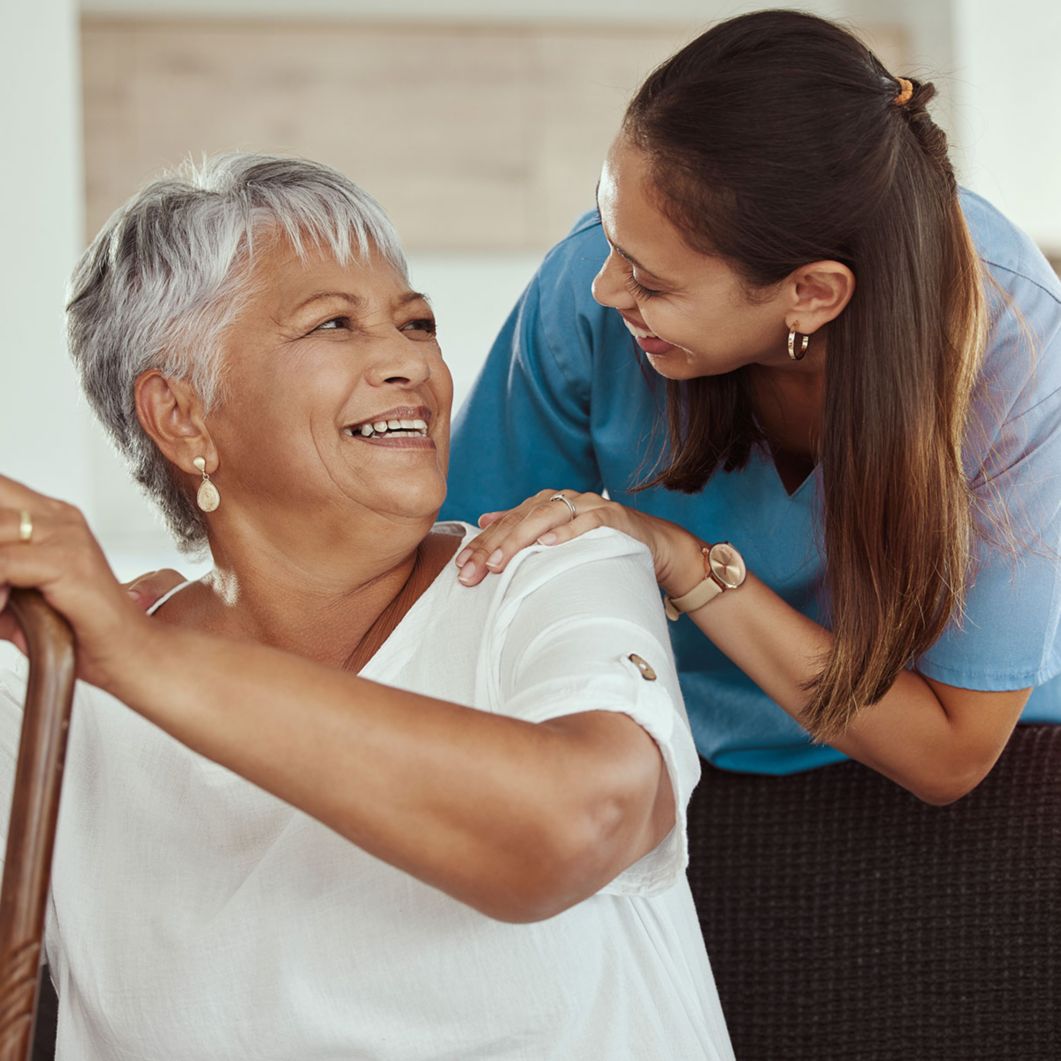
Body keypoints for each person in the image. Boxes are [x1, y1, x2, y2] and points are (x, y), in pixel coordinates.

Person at [0, 154, 733, 1060]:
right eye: (333, 325)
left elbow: (579, 827)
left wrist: (139, 660)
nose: (407, 362)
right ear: (182, 416)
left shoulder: (552, 568)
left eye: (415, 322)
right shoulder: (52, 680)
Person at [443, 10, 1061, 802]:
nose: (603, 287)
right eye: (608, 236)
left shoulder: (1019, 346)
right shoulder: (585, 293)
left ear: (810, 293)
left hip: (979, 782)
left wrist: (683, 562)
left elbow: (948, 751)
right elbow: (467, 584)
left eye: (651, 282)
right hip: (670, 751)